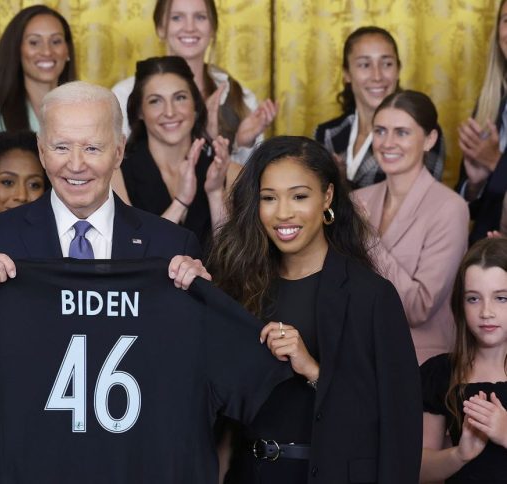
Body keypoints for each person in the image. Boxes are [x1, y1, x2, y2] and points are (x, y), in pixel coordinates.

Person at [0, 81, 212, 483]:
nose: (76, 164)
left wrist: (202, 302)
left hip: (131, 465)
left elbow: (196, 373)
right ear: (42, 151)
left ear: (118, 151)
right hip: (28, 465)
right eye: (62, 147)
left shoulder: (171, 246)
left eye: (93, 148)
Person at [209, 136, 421, 482]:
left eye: (299, 196)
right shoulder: (239, 286)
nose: (283, 213)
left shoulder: (370, 296)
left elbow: (398, 423)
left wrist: (312, 369)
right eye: (268, 198)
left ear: (327, 198)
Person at [352, 91, 468, 364]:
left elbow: (419, 307)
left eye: (401, 132)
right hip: (356, 355)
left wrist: (368, 240)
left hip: (418, 364)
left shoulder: (450, 208)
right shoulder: (357, 200)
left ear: (429, 139)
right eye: (380, 131)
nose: (387, 143)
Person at [111, 0, 276, 164]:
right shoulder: (124, 95)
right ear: (160, 28)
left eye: (200, 17)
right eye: (177, 18)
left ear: (213, 27)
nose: (190, 27)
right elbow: (117, 170)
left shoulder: (241, 97)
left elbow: (249, 182)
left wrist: (241, 143)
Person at [114, 56, 239, 247]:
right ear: (139, 110)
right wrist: (180, 203)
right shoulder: (116, 174)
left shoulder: (230, 172)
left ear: (196, 106)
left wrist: (215, 193)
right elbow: (130, 254)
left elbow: (233, 263)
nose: (170, 112)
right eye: (155, 101)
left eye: (180, 98)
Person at [420, 237, 507, 483]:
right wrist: (459, 455)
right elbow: (418, 471)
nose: (486, 312)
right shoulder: (439, 373)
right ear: (460, 304)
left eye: (501, 298)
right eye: (473, 298)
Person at [315, 26, 445, 189]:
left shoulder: (421, 130)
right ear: (347, 73)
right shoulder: (326, 133)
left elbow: (415, 199)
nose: (377, 76)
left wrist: (340, 182)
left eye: (387, 64)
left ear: (398, 70)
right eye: (364, 65)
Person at [0, 5, 76, 150]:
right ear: (16, 51)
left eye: (56, 41)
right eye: (34, 42)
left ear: (67, 51)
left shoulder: (86, 110)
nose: (47, 51)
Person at [458, 0, 507, 242]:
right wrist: (476, 185)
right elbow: (471, 210)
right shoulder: (490, 101)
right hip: (484, 258)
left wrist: (496, 163)